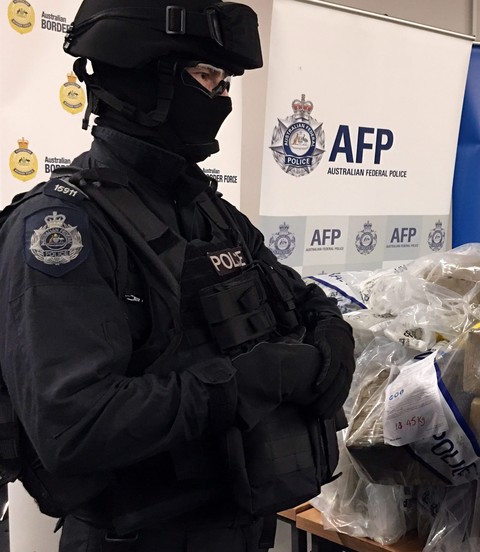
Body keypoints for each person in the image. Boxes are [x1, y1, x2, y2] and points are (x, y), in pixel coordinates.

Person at [0, 0, 355, 550]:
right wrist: (247, 383)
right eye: (207, 76)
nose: (223, 98)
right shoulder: (66, 227)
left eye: (224, 80)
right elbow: (74, 426)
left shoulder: (205, 208)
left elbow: (299, 299)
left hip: (241, 524)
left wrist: (333, 337)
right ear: (144, 76)